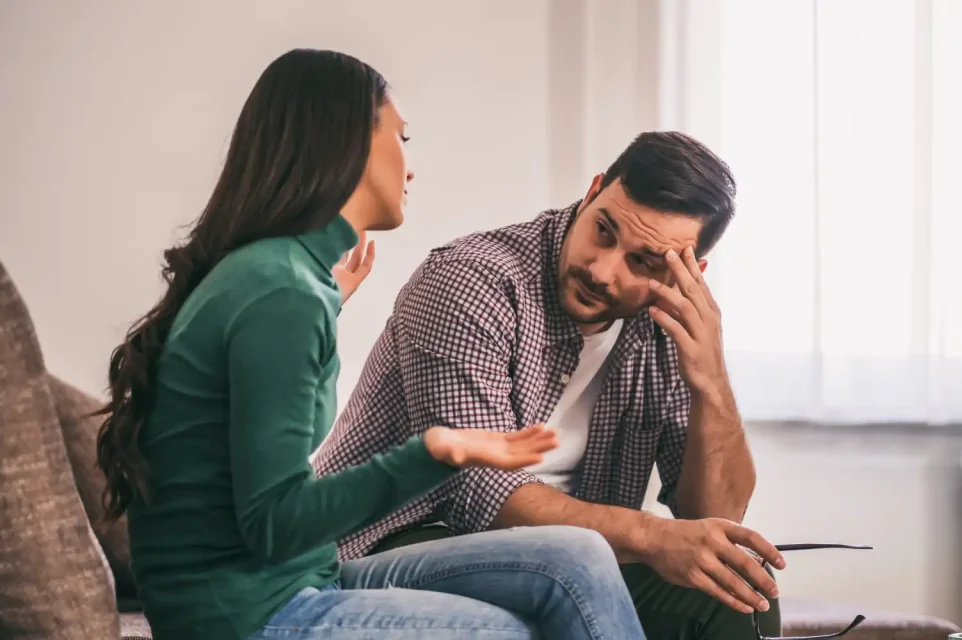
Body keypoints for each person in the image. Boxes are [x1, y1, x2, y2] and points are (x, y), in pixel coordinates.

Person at [94, 48, 647, 640]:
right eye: (403, 138)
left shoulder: (282, 279)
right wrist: (435, 452)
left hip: (298, 577)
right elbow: (276, 524)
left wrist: (325, 305)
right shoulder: (280, 291)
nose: (411, 168)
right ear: (351, 140)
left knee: (578, 557)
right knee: (509, 632)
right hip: (242, 612)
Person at [312, 130, 788, 639]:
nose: (602, 270)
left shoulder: (668, 326)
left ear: (686, 273)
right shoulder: (471, 281)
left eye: (642, 262)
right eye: (603, 231)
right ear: (593, 191)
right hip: (389, 544)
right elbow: (479, 495)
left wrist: (711, 379)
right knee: (567, 566)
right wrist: (651, 535)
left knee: (739, 596)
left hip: (565, 563)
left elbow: (714, 516)